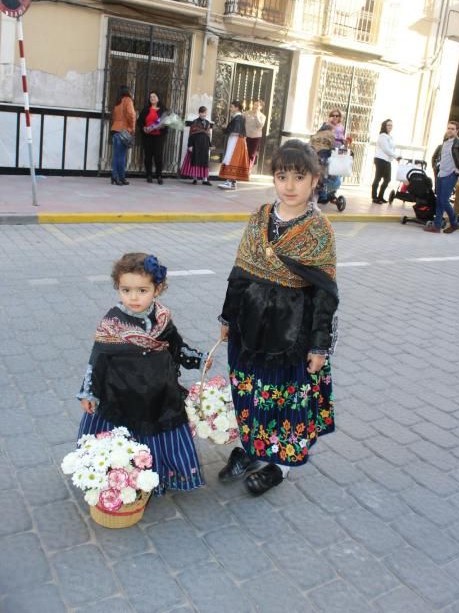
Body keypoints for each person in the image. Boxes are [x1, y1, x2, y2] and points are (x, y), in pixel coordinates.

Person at [217, 140, 338, 495]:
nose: (289, 185)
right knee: (249, 392)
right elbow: (239, 273)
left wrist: (319, 345)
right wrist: (227, 319)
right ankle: (251, 449)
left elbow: (325, 294)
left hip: (291, 333)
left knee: (284, 399)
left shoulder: (319, 231)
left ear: (315, 179)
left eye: (298, 177)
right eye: (281, 176)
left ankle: (280, 465)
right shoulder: (260, 217)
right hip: (249, 326)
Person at [76, 252, 212, 496]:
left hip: (159, 392)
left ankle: (159, 476)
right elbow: (98, 359)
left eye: (142, 290)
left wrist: (199, 359)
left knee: (159, 434)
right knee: (125, 435)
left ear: (157, 289)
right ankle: (122, 479)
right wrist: (89, 392)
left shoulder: (161, 317)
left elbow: (175, 345)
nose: (134, 297)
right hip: (121, 392)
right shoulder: (112, 323)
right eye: (126, 290)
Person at [425, 120, 459, 233]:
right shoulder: (445, 142)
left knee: (443, 200)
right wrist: (436, 166)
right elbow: (440, 157)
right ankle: (437, 226)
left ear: (457, 131)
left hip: (451, 175)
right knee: (439, 200)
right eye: (448, 128)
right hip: (440, 174)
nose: (450, 130)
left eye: (452, 129)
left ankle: (454, 223)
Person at [137, 91, 168, 184]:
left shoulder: (163, 110)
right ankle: (149, 175)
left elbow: (166, 122)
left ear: (158, 98)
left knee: (158, 156)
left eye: (154, 96)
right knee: (148, 156)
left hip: (159, 137)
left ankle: (159, 175)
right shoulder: (146, 109)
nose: (152, 98)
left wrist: (162, 126)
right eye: (150, 97)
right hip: (147, 136)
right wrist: (144, 128)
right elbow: (140, 122)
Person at [218, 100, 249, 191]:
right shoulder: (238, 117)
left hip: (236, 141)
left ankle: (231, 182)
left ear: (237, 108)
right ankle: (231, 182)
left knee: (232, 158)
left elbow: (236, 131)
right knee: (231, 158)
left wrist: (226, 129)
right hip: (236, 140)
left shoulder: (238, 118)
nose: (230, 108)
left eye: (232, 106)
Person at [180, 106, 212, 185]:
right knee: (196, 160)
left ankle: (205, 180)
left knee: (205, 161)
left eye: (205, 113)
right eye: (202, 113)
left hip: (204, 145)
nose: (204, 114)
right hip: (196, 144)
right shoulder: (194, 122)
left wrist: (210, 145)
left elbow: (208, 135)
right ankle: (195, 179)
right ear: (199, 113)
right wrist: (190, 145)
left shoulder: (208, 123)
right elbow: (191, 134)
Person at [110, 86, 136, 185]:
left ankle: (114, 176)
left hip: (115, 130)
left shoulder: (117, 102)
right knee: (121, 156)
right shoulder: (128, 100)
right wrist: (132, 128)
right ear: (127, 91)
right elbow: (131, 114)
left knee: (116, 155)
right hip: (124, 130)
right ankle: (120, 177)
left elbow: (113, 116)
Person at [371, 119, 399, 204]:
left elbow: (391, 149)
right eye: (388, 125)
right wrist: (396, 156)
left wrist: (394, 156)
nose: (390, 127)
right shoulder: (382, 136)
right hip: (380, 160)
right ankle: (375, 197)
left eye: (391, 125)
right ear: (384, 126)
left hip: (387, 160)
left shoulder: (389, 136)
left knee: (387, 179)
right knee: (378, 178)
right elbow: (386, 149)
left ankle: (380, 197)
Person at [244, 99, 266, 171]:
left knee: (252, 154)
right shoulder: (247, 113)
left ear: (261, 107)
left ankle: (248, 170)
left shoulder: (262, 116)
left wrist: (256, 115)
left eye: (258, 105)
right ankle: (243, 168)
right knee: (245, 153)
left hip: (255, 137)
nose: (255, 106)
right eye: (255, 104)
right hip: (246, 136)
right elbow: (241, 118)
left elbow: (260, 126)